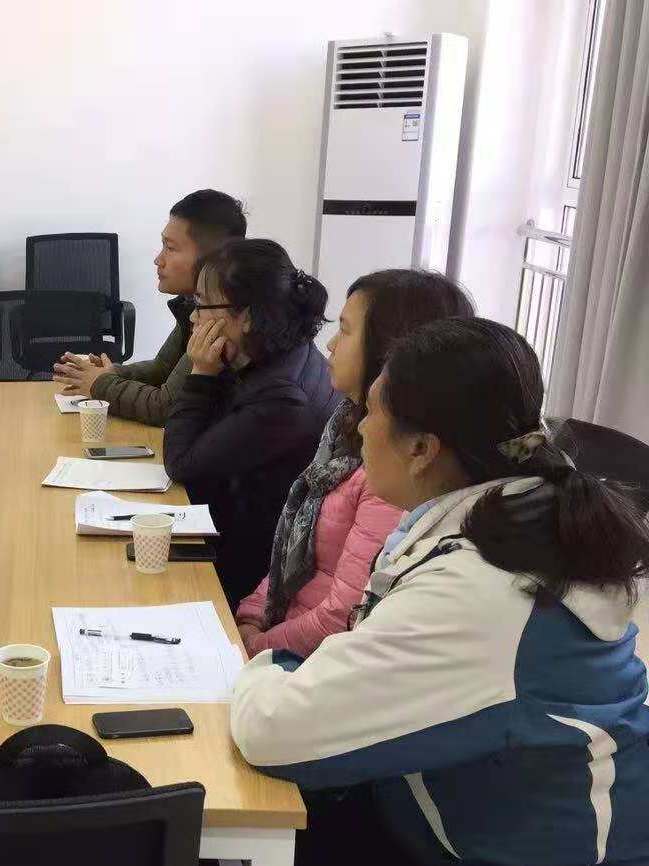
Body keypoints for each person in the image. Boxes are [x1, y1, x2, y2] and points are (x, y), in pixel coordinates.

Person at [230, 317, 649, 866]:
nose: (358, 429)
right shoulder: (503, 517)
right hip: (471, 815)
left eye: (371, 413)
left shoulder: (485, 591)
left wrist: (254, 668)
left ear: (423, 447)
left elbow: (272, 731)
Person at [234, 270, 474, 657]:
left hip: (308, 658)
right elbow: (292, 553)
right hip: (284, 636)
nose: (330, 345)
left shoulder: (394, 473)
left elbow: (341, 617)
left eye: (345, 331)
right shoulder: (345, 426)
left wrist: (255, 645)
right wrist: (249, 616)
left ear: (388, 349)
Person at [160, 238, 339, 608]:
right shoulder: (271, 356)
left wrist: (201, 373)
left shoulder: (283, 399)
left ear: (247, 317)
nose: (193, 317)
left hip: (247, 577)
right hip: (227, 530)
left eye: (202, 304)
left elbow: (181, 463)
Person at [52, 189, 246, 424]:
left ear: (211, 260)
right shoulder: (194, 305)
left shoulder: (222, 319)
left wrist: (99, 383)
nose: (158, 260)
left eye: (170, 248)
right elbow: (162, 369)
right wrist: (112, 373)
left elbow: (164, 406)